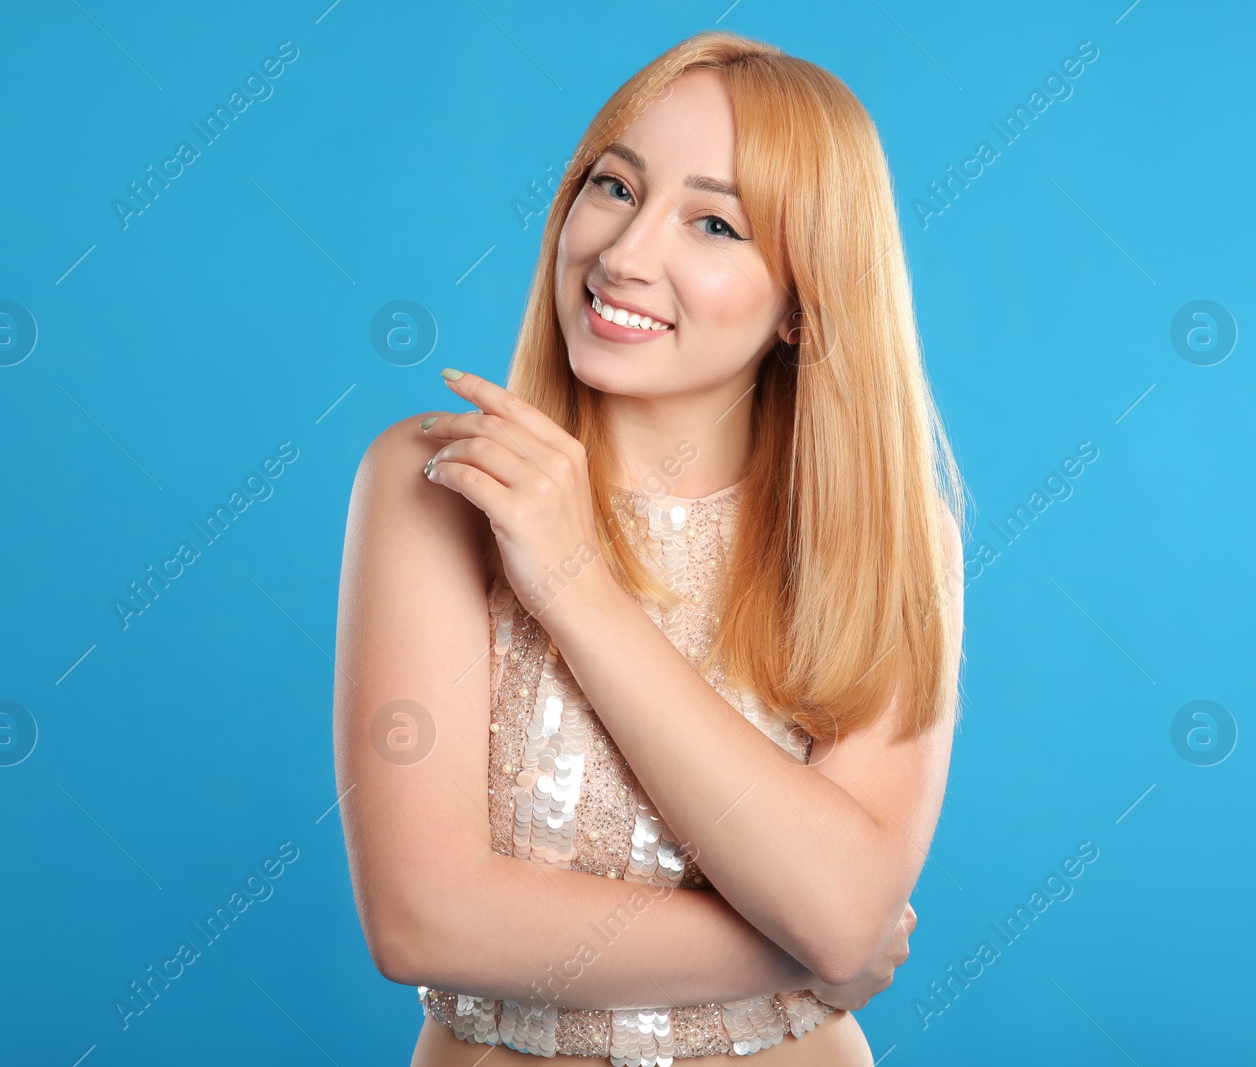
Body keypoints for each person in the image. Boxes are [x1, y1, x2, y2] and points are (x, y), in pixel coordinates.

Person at [334, 29, 967, 1066]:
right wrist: (803, 948)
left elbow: (851, 903)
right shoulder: (435, 479)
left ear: (805, 304)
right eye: (614, 187)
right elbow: (423, 918)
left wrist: (578, 587)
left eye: (714, 222)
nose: (623, 254)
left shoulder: (894, 539)